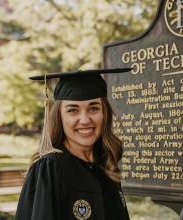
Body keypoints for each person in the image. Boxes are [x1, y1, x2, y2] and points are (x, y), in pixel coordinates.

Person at [15, 68, 131, 220]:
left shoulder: (106, 165)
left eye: (93, 108)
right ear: (59, 117)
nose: (85, 120)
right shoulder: (51, 169)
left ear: (105, 113)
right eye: (73, 110)